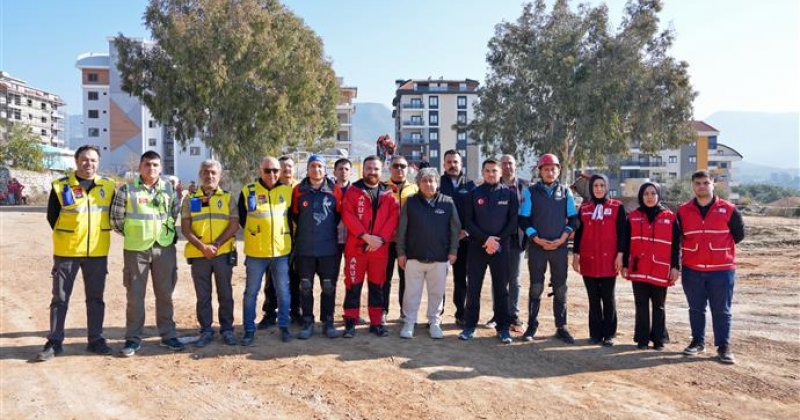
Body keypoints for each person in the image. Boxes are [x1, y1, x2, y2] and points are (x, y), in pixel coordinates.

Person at [36, 145, 117, 361]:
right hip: (67, 252)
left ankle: (96, 340)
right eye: (84, 159)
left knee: (96, 299)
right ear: (76, 161)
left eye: (93, 160)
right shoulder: (61, 186)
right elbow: (52, 217)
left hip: (97, 252)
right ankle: (54, 342)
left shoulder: (108, 186)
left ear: (98, 163)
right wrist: (69, 235)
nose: (88, 164)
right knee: (60, 298)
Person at [111, 151, 184, 356]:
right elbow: (116, 219)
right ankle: (133, 339)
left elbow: (174, 213)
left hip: (164, 248)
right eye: (147, 164)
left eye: (155, 165)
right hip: (137, 249)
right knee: (135, 296)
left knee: (165, 294)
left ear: (160, 168)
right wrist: (136, 234)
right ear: (140, 167)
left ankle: (168, 335)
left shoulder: (169, 189)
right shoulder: (127, 189)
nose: (151, 169)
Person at [678, 170, 745, 364]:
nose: (702, 186)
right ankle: (697, 342)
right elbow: (678, 237)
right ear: (693, 185)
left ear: (713, 184)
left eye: (705, 183)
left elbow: (739, 235)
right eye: (698, 183)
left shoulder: (729, 209)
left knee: (721, 310)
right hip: (692, 269)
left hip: (722, 270)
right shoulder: (683, 211)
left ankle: (723, 346)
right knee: (695, 309)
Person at [518, 153, 579, 343]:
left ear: (559, 170)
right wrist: (536, 238)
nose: (550, 172)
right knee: (536, 287)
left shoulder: (566, 191)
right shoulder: (531, 191)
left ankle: (561, 326)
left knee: (560, 288)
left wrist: (563, 237)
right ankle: (531, 326)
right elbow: (523, 218)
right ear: (540, 171)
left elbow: (574, 219)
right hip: (537, 247)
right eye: (546, 169)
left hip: (559, 248)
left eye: (553, 168)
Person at [458, 158, 519, 344]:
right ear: (483, 173)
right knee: (474, 288)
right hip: (478, 247)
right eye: (487, 171)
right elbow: (469, 222)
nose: (491, 174)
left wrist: (497, 241)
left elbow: (513, 222)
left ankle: (503, 328)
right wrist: (486, 240)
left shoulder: (509, 194)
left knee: (501, 289)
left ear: (500, 172)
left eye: (494, 170)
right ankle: (469, 326)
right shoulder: (473, 194)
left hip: (501, 248)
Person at [180, 159, 239, 347]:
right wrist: (203, 247)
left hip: (222, 254)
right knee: (203, 295)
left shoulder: (228, 198)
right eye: (205, 172)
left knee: (225, 293)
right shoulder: (190, 199)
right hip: (199, 256)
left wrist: (215, 245)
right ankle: (206, 330)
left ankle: (227, 329)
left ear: (220, 175)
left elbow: (234, 225)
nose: (209, 175)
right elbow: (186, 229)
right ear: (200, 174)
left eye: (213, 172)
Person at [396, 168, 460, 339]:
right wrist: (401, 252)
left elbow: (455, 229)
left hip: (439, 258)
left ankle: (434, 322)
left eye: (432, 180)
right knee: (411, 292)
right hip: (414, 257)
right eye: (424, 181)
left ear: (437, 183)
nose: (428, 184)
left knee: (437, 293)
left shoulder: (448, 202)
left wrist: (453, 251)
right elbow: (401, 230)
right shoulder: (410, 202)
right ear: (418, 184)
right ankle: (409, 322)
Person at [341, 155, 399, 338]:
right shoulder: (352, 191)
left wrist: (380, 240)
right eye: (368, 168)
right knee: (352, 285)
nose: (372, 172)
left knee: (377, 286)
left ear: (381, 171)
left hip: (379, 250)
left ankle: (376, 322)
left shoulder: (389, 193)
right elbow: (348, 216)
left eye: (375, 169)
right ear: (363, 169)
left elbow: (393, 218)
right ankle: (350, 321)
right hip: (356, 248)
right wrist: (366, 237)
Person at [238, 156, 294, 344]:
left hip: (280, 252)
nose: (272, 174)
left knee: (283, 292)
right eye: (267, 170)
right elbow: (242, 219)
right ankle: (248, 329)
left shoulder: (288, 192)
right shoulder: (248, 191)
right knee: (251, 292)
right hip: (256, 253)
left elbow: (293, 219)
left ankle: (284, 327)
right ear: (260, 171)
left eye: (275, 171)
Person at [622, 182, 680, 351]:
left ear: (658, 195)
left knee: (659, 305)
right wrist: (625, 264)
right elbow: (625, 244)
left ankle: (659, 339)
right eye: (646, 193)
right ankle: (642, 340)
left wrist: (676, 266)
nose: (649, 196)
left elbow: (676, 245)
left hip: (660, 269)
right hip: (639, 267)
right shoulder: (632, 217)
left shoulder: (670, 217)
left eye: (653, 193)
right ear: (641, 196)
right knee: (640, 304)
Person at [292, 155, 344, 339]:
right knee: (305, 286)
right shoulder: (298, 191)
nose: (316, 169)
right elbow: (295, 215)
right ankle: (307, 322)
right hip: (305, 249)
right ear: (307, 169)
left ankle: (328, 322)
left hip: (328, 249)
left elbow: (338, 216)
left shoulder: (335, 190)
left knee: (328, 286)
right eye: (313, 166)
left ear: (325, 169)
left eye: (320, 166)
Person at [572, 174, 626, 346]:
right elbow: (579, 234)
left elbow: (622, 234)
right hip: (589, 259)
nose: (599, 189)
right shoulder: (584, 208)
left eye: (602, 185)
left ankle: (609, 334)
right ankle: (595, 334)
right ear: (591, 188)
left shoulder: (617, 207)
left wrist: (620, 255)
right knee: (593, 299)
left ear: (607, 187)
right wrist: (576, 256)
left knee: (608, 298)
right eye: (596, 185)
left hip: (609, 260)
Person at [258, 155, 301, 328]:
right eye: (283, 167)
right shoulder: (269, 189)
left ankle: (295, 312)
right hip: (274, 242)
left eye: (290, 166)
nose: (287, 170)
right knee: (271, 279)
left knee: (295, 278)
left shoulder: (299, 188)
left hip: (297, 241)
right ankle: (269, 313)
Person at [438, 150, 475, 325]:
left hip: (465, 241)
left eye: (456, 162)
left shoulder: (470, 185)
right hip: (441, 240)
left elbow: (476, 212)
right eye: (449, 162)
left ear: (461, 164)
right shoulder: (437, 183)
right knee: (438, 278)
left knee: (461, 279)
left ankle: (461, 313)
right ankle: (437, 313)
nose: (453, 165)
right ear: (444, 164)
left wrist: (466, 231)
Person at [383, 155, 418, 323]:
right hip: (386, 242)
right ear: (390, 168)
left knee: (406, 279)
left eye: (403, 166)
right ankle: (382, 310)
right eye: (396, 166)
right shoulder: (382, 188)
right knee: (384, 277)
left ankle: (405, 312)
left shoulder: (415, 189)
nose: (399, 169)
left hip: (407, 242)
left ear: (408, 168)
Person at [498, 154, 529, 329]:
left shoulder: (526, 186)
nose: (507, 166)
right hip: (499, 240)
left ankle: (513, 315)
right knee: (499, 279)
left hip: (518, 239)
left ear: (515, 166)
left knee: (515, 279)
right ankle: (499, 314)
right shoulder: (494, 185)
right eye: (504, 164)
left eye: (510, 163)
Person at [334, 158, 353, 259]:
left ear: (351, 172)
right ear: (334, 172)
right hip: (332, 238)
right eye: (340, 169)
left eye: (346, 169)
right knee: (332, 272)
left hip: (351, 237)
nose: (343, 171)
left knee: (351, 271)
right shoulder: (328, 191)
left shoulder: (357, 192)